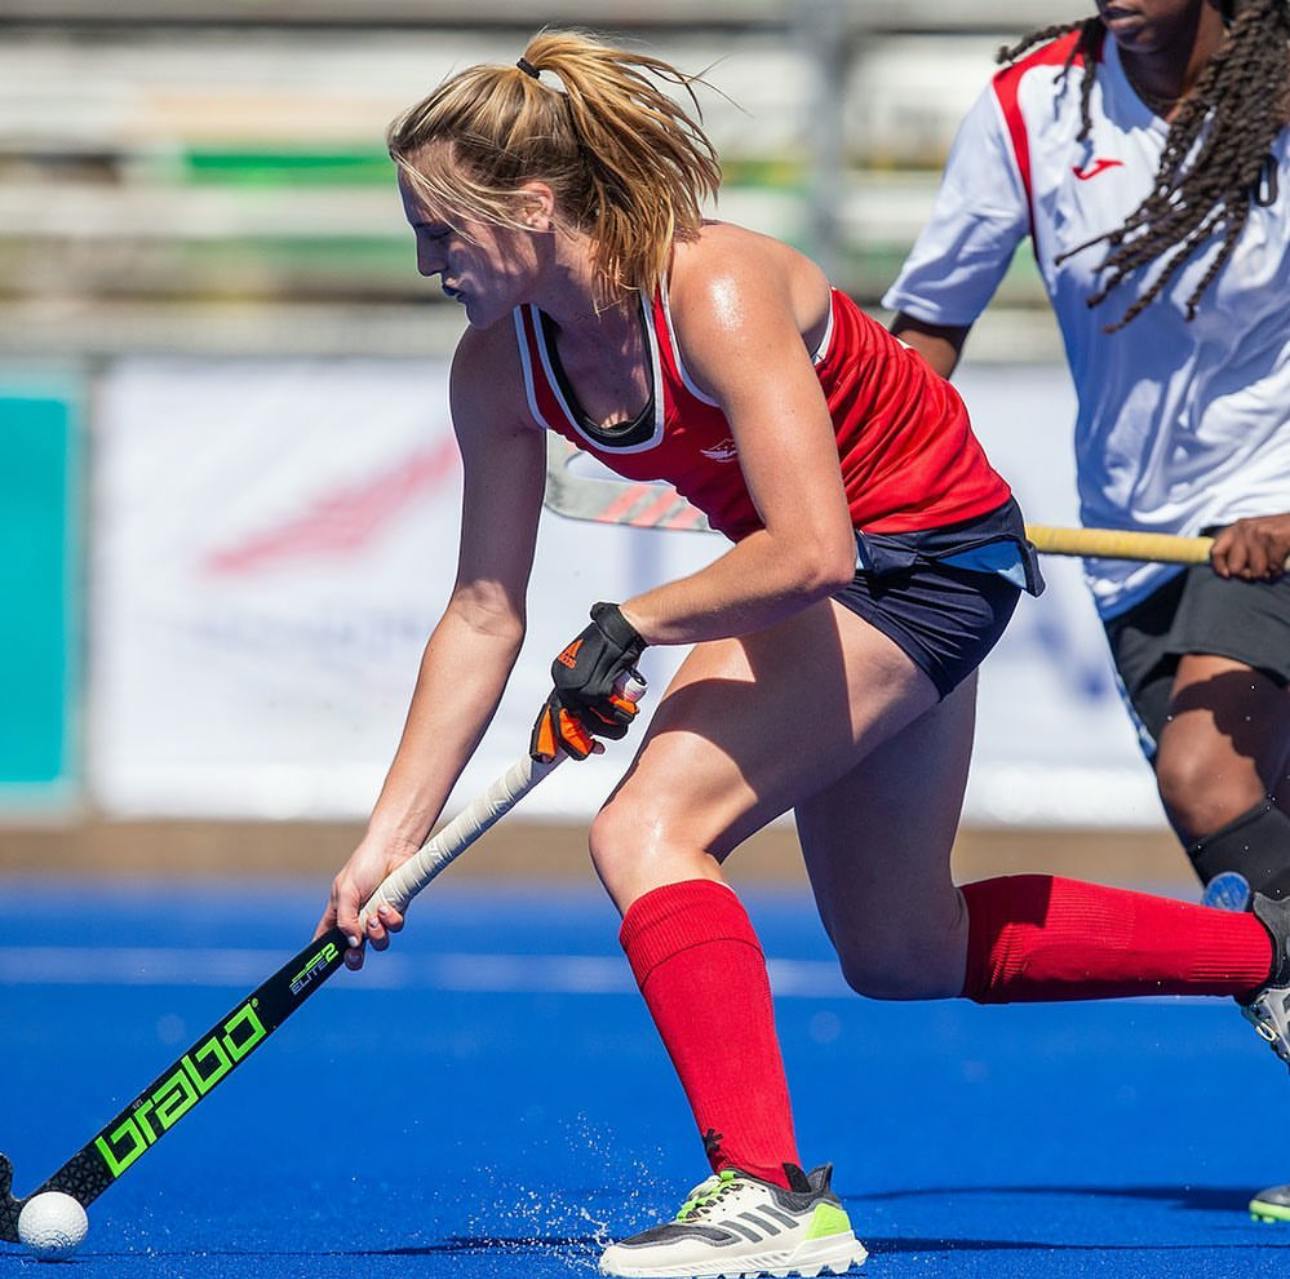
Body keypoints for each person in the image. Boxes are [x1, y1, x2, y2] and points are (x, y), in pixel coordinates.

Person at [317, 29, 1290, 1278]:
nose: (426, 262)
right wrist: (390, 840)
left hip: (929, 567)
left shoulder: (713, 289)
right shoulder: (498, 370)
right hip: (845, 576)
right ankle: (1269, 946)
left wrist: (629, 626)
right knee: (902, 949)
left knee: (646, 829)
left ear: (536, 207)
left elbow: (815, 548)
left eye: (443, 231)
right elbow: (484, 612)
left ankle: (766, 1189)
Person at [883, 0, 1290, 1222]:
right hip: (1135, 538)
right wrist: (847, 469)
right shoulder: (1032, 106)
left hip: (1278, 494)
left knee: (1207, 779)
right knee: (1268, 842)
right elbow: (924, 330)